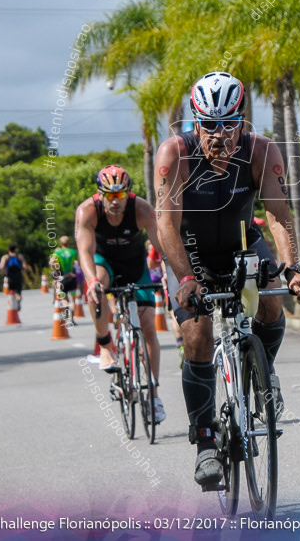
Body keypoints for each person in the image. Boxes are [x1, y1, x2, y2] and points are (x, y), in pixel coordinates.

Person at [154, 71, 300, 489]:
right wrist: (186, 277)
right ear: (195, 121)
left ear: (242, 122)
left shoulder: (262, 151)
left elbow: (277, 213)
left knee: (271, 299)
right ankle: (206, 440)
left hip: (244, 243)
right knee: (197, 335)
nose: (219, 136)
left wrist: (292, 267)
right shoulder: (175, 153)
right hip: (191, 254)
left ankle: (264, 372)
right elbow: (166, 224)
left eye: (229, 125)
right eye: (208, 125)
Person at [74, 165, 167, 424]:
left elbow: (161, 245)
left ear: (128, 193)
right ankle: (106, 345)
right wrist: (91, 281)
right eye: (110, 196)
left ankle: (153, 397)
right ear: (100, 194)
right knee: (97, 286)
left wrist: (171, 273)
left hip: (135, 265)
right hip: (105, 263)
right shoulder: (88, 211)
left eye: (121, 195)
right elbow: (85, 251)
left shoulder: (142, 209)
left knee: (149, 328)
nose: (116, 202)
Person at [49, 236, 81, 323]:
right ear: (69, 243)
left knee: (64, 300)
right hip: (72, 278)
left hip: (63, 278)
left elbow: (51, 262)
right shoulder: (73, 252)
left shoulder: (58, 252)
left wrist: (55, 270)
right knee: (72, 300)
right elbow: (78, 263)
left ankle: (67, 317)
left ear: (60, 243)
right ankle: (73, 319)